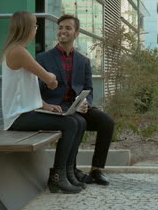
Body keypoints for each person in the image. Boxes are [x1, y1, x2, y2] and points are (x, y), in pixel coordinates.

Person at [1, 11, 87, 194]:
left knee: (78, 120)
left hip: (27, 112)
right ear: (28, 29)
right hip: (18, 118)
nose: (36, 29)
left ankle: (68, 172)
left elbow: (24, 89)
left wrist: (45, 105)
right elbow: (48, 78)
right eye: (35, 26)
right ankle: (57, 177)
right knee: (70, 123)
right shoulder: (18, 51)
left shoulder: (17, 50)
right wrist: (52, 79)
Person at [36, 14, 114, 185]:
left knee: (106, 122)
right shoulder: (42, 58)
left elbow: (89, 88)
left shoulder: (83, 61)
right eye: (60, 27)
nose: (63, 31)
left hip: (78, 106)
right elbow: (37, 88)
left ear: (76, 33)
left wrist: (87, 103)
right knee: (77, 121)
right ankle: (71, 170)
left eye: (68, 28)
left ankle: (96, 170)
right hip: (56, 108)